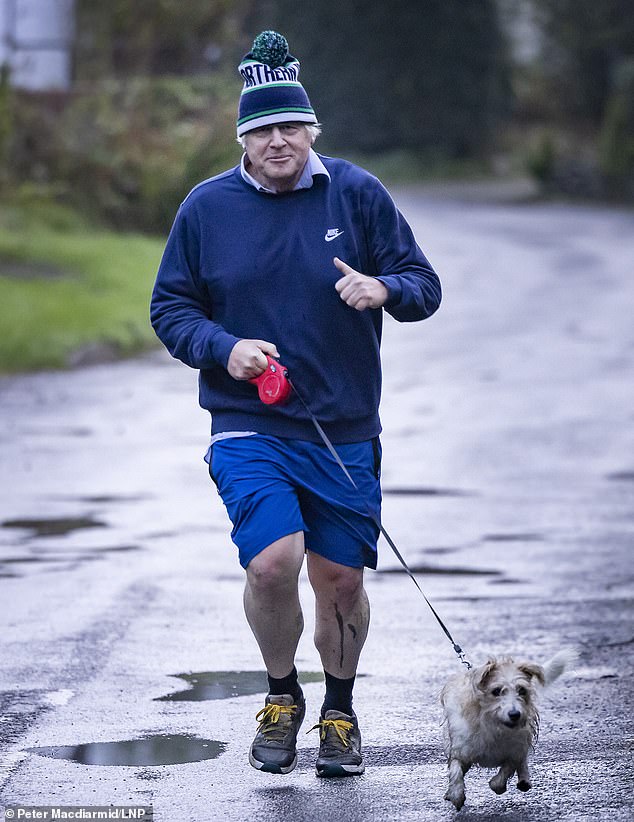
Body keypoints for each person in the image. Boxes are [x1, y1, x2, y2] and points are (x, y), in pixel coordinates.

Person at [150, 30, 441, 778]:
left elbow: (423, 284)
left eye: (290, 127)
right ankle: (283, 697)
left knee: (340, 581)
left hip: (344, 426)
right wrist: (224, 348)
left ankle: (339, 712)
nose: (278, 141)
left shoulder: (356, 193)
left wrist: (385, 289)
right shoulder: (206, 208)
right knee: (274, 564)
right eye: (261, 130)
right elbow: (171, 309)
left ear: (312, 130)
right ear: (243, 138)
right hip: (248, 424)